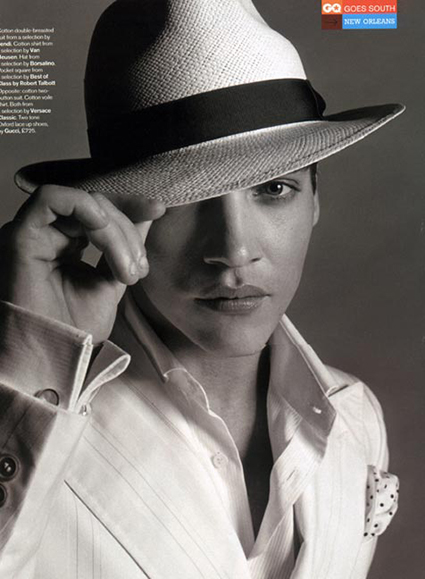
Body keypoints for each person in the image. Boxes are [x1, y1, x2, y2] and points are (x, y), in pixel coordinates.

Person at [0, 0, 403, 577]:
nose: (234, 250)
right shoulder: (23, 420)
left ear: (316, 201)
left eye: (274, 189)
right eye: (183, 198)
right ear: (108, 213)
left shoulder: (357, 417)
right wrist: (33, 364)